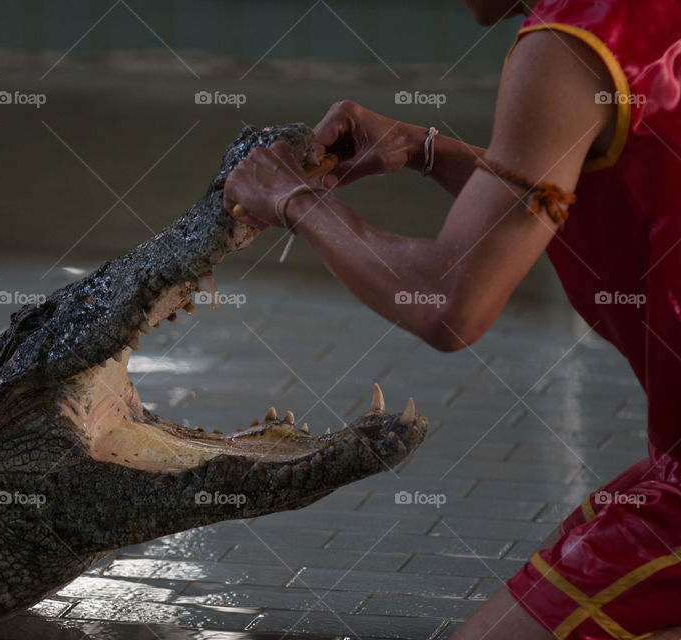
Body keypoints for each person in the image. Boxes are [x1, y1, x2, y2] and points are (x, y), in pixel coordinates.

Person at [223, 0, 681, 638]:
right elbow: (569, 190)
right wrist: (420, 148)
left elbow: (449, 303)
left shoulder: (565, 45)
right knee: (571, 549)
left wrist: (290, 199)